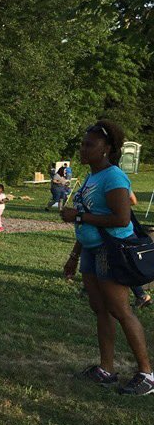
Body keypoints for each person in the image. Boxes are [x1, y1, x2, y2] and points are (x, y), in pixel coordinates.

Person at [61, 120, 153, 396]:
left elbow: (121, 218)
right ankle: (106, 369)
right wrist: (75, 255)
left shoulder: (113, 177)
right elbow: (89, 218)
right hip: (91, 250)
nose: (83, 148)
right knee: (101, 310)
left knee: (121, 312)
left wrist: (77, 216)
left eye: (90, 144)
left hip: (111, 251)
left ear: (107, 149)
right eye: (83, 143)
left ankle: (147, 374)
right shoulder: (92, 176)